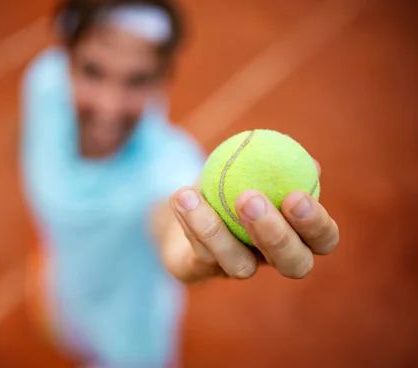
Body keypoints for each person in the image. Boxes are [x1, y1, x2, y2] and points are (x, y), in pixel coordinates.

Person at [19, 0, 340, 367]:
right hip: (60, 299)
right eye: (93, 71)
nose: (109, 106)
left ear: (163, 79)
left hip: (130, 342)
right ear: (65, 59)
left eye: (137, 80)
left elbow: (174, 231)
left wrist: (196, 252)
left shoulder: (170, 167)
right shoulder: (43, 84)